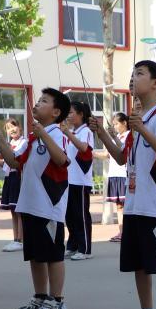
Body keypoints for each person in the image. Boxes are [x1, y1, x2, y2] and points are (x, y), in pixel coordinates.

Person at [91, 60, 156, 309]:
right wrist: (102, 133)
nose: (133, 78)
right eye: (132, 73)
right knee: (139, 264)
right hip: (134, 204)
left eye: (140, 73)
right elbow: (122, 158)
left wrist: (141, 128)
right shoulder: (136, 122)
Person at [0, 89, 75, 309]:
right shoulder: (31, 138)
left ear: (56, 112)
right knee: (36, 255)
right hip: (29, 204)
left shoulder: (57, 134)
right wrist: (0, 139)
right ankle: (40, 297)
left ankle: (57, 301)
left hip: (48, 206)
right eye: (38, 100)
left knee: (53, 256)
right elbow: (13, 162)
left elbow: (62, 160)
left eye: (43, 101)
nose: (37, 104)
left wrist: (43, 135)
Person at [63, 101, 95, 260]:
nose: (68, 116)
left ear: (81, 114)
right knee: (69, 216)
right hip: (69, 180)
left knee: (81, 215)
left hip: (81, 181)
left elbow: (84, 148)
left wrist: (68, 134)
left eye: (71, 112)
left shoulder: (86, 131)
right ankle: (73, 245)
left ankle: (85, 249)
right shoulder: (71, 132)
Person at [0, 118, 26, 252]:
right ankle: (15, 238)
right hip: (9, 177)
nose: (12, 129)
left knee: (19, 210)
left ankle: (20, 240)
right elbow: (4, 164)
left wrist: (5, 147)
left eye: (14, 126)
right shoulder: (10, 144)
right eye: (8, 128)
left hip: (19, 177)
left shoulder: (24, 143)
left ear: (20, 127)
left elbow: (17, 160)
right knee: (13, 210)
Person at [105, 112, 130, 242]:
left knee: (127, 206)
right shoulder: (117, 137)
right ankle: (121, 232)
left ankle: (129, 233)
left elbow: (123, 150)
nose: (114, 127)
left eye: (116, 124)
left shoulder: (129, 136)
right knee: (119, 206)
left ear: (124, 123)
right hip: (114, 174)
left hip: (123, 174)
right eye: (113, 124)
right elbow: (107, 154)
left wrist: (114, 137)